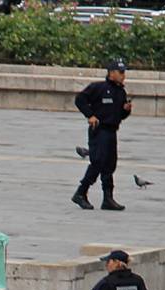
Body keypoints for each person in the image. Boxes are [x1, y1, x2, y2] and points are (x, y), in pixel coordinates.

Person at [72, 60, 132, 211]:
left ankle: (108, 198)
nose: (123, 75)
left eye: (124, 72)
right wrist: (90, 115)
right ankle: (81, 192)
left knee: (109, 164)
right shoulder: (98, 87)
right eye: (121, 72)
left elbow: (121, 115)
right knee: (98, 161)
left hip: (112, 131)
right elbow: (80, 100)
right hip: (99, 130)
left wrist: (126, 110)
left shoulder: (121, 92)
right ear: (111, 73)